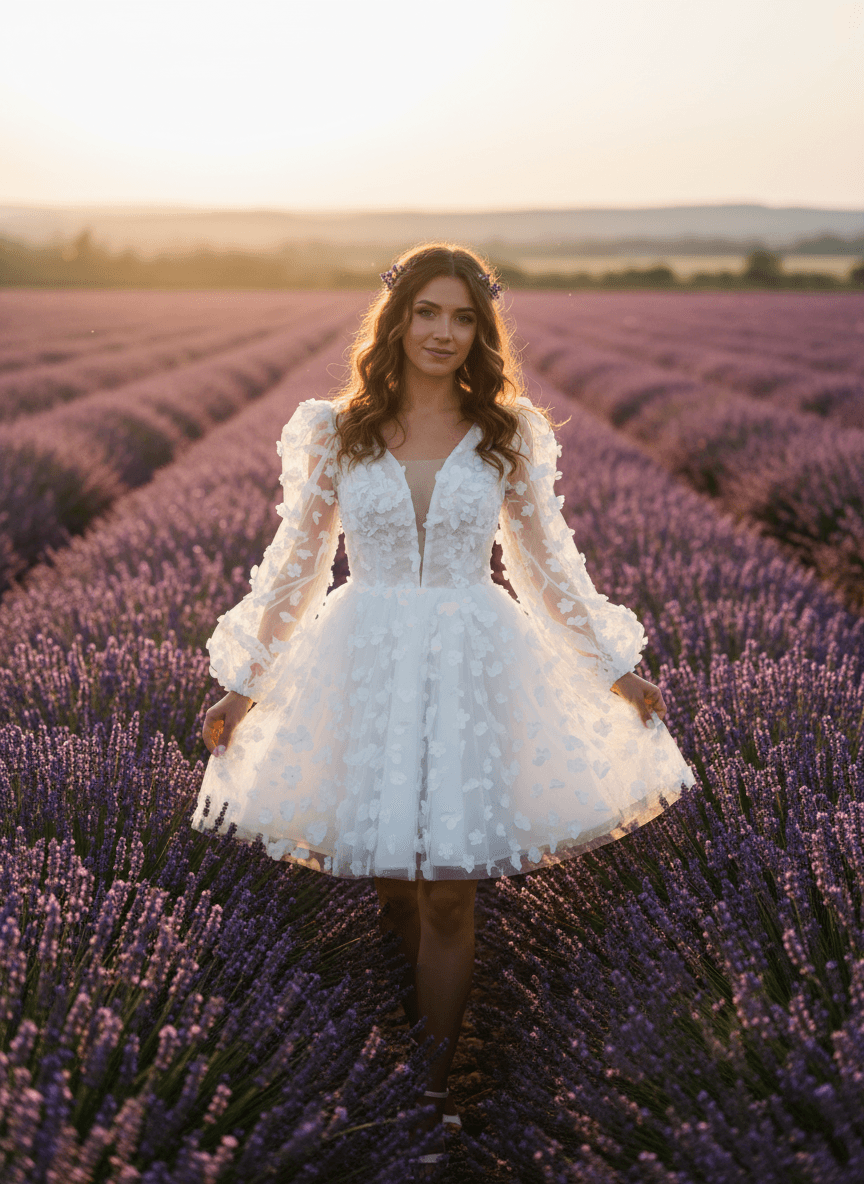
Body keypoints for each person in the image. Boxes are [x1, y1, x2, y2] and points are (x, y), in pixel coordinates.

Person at [194, 242, 696, 1174]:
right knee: (393, 884)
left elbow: (547, 568)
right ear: (396, 321)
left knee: (451, 890)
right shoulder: (336, 431)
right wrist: (244, 684)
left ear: (482, 332)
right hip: (367, 662)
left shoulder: (505, 435)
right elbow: (297, 569)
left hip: (472, 663)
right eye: (427, 312)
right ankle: (394, 1055)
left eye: (463, 318)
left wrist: (614, 670)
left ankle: (429, 1100)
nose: (443, 332)